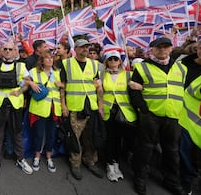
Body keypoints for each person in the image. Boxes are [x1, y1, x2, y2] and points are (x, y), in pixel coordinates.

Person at [129, 37, 187, 195]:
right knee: (145, 149)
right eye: (158, 47)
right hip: (151, 116)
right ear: (152, 49)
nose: (162, 50)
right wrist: (144, 111)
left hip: (174, 116)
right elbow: (134, 92)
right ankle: (140, 178)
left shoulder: (181, 68)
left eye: (165, 47)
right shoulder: (142, 67)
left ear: (171, 49)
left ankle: (172, 180)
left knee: (172, 151)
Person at [0, 41, 33, 181]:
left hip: (15, 105)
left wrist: (20, 91)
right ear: (1, 51)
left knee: (17, 133)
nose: (8, 51)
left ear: (15, 51)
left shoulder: (21, 66)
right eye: (5, 49)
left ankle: (20, 159)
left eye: (11, 49)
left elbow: (27, 82)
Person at [60, 39, 104, 180]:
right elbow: (62, 87)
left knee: (91, 137)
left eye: (87, 47)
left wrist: (101, 106)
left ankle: (90, 161)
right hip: (75, 106)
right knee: (75, 138)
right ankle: (76, 163)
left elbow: (98, 87)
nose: (86, 49)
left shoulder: (94, 64)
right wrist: (63, 105)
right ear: (76, 49)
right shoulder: (66, 64)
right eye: (83, 47)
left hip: (91, 106)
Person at [178, 35, 201, 194]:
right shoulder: (182, 64)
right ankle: (188, 183)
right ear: (196, 49)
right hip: (183, 120)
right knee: (186, 156)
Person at [99, 50, 137, 182]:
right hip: (108, 111)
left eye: (116, 59)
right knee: (110, 139)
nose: (113, 62)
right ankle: (110, 164)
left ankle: (116, 163)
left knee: (121, 140)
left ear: (120, 61)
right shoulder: (102, 75)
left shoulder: (128, 75)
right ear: (106, 62)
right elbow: (99, 93)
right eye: (110, 59)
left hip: (124, 112)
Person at [26, 50, 64, 173]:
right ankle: (37, 156)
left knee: (51, 134)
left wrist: (62, 85)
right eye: (46, 58)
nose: (49, 60)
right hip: (39, 108)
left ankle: (48, 156)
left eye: (51, 58)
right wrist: (31, 82)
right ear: (41, 60)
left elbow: (65, 88)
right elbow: (23, 80)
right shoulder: (33, 72)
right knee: (38, 133)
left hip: (54, 108)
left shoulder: (58, 72)